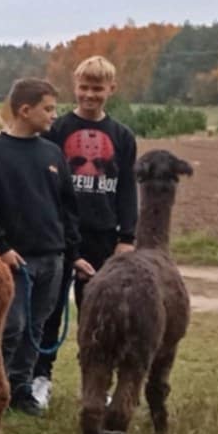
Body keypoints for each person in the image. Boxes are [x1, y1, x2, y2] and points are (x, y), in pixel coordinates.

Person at [0, 78, 87, 417]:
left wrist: (73, 253)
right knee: (11, 327)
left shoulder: (52, 154)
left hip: (53, 259)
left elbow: (67, 209)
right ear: (25, 109)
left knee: (35, 329)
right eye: (48, 109)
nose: (54, 115)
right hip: (12, 262)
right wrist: (2, 248)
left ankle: (20, 389)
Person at [31, 55, 137, 408]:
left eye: (98, 88)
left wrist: (127, 237)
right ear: (74, 88)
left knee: (98, 317)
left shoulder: (122, 137)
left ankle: (95, 383)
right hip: (58, 237)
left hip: (103, 239)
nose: (90, 95)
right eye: (84, 87)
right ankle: (39, 378)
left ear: (112, 89)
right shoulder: (56, 130)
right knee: (48, 312)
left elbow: (126, 190)